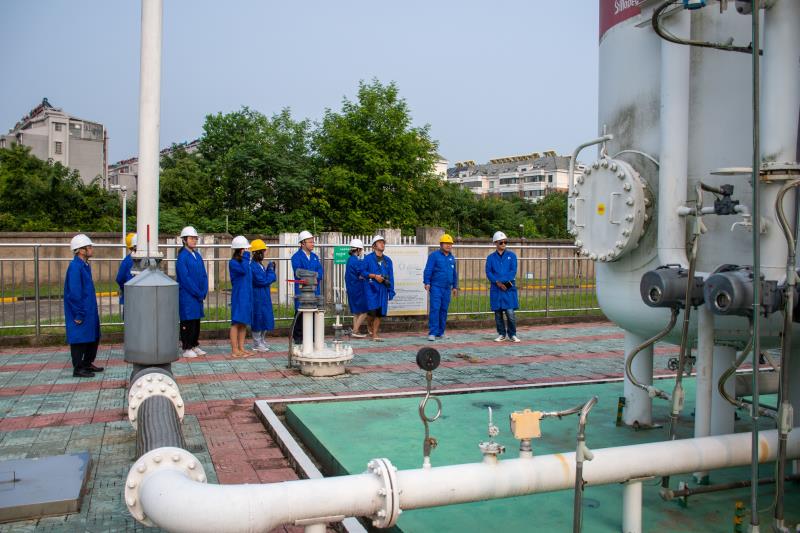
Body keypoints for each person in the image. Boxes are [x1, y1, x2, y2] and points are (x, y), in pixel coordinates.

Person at [64, 233, 103, 378]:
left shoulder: (84, 265)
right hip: (81, 310)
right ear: (81, 250)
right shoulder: (75, 267)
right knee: (79, 339)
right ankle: (78, 368)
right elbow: (74, 293)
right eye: (89, 247)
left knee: (93, 336)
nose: (91, 249)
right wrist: (79, 313)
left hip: (88, 309)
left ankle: (87, 363)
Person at [176, 226, 208, 358]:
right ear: (184, 240)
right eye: (191, 238)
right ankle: (186, 347)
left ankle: (194, 344)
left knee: (196, 320)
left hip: (197, 294)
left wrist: (204, 290)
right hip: (188, 295)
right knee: (187, 320)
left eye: (195, 238)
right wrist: (197, 292)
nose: (194, 240)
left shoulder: (197, 255)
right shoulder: (182, 257)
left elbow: (204, 275)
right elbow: (185, 279)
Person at [485, 231, 520, 342]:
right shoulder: (490, 258)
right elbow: (488, 272)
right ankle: (501, 334)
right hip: (496, 287)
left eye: (505, 242)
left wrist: (504, 283)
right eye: (501, 242)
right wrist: (497, 282)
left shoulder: (512, 256)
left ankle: (512, 334)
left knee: (510, 313)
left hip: (508, 286)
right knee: (498, 313)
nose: (503, 244)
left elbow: (513, 271)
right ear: (495, 243)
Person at [423, 233, 458, 341]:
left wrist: (455, 286)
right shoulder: (434, 256)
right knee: (435, 309)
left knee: (444, 310)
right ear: (441, 244)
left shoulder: (452, 258)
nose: (448, 245)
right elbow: (428, 269)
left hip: (447, 288)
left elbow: (454, 273)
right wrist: (427, 282)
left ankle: (441, 332)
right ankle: (432, 333)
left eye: (450, 244)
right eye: (446, 243)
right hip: (436, 287)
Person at [291, 230, 324, 345]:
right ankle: (298, 337)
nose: (312, 244)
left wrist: (312, 275)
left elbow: (320, 272)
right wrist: (314, 275)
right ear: (302, 243)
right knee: (300, 313)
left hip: (314, 289)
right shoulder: (296, 257)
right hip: (302, 290)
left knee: (313, 313)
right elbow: (299, 272)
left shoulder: (315, 257)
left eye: (313, 242)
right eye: (310, 242)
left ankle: (312, 336)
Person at [362, 235, 395, 341]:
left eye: (383, 242)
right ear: (374, 246)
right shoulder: (368, 258)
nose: (382, 244)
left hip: (383, 289)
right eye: (379, 242)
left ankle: (375, 334)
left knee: (380, 313)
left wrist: (391, 290)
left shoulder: (388, 260)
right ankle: (369, 325)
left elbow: (391, 276)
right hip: (371, 288)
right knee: (372, 311)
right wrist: (375, 276)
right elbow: (362, 272)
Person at [229, 235, 254, 358]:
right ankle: (234, 350)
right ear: (241, 249)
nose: (248, 251)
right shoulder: (233, 263)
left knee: (243, 322)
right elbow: (243, 270)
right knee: (236, 322)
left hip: (246, 294)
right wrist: (246, 257)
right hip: (239, 295)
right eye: (246, 249)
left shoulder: (245, 262)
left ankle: (241, 347)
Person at [250, 239, 276, 352]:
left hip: (264, 295)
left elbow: (266, 279)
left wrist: (269, 273)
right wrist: (271, 272)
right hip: (257, 296)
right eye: (263, 251)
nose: (264, 254)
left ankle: (261, 340)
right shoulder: (253, 266)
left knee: (265, 317)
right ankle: (256, 343)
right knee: (258, 318)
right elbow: (262, 281)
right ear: (257, 252)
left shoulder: (259, 265)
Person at [345, 238, 369, 338]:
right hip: (357, 288)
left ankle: (356, 331)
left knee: (356, 312)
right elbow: (362, 274)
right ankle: (355, 331)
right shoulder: (356, 261)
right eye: (361, 249)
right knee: (365, 311)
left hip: (351, 288)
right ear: (358, 249)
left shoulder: (350, 260)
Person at [115, 232, 137, 318]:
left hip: (129, 296)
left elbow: (120, 278)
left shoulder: (127, 260)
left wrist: (125, 288)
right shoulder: (148, 260)